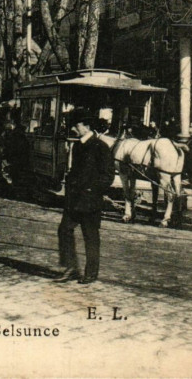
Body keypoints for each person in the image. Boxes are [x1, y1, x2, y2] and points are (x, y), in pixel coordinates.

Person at [55, 115, 115, 285]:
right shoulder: (78, 146)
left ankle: (91, 273)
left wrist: (92, 190)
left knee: (91, 237)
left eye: (76, 125)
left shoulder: (101, 147)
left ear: (87, 125)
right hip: (74, 200)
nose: (74, 129)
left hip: (90, 200)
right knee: (64, 230)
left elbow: (108, 175)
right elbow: (75, 171)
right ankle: (71, 267)